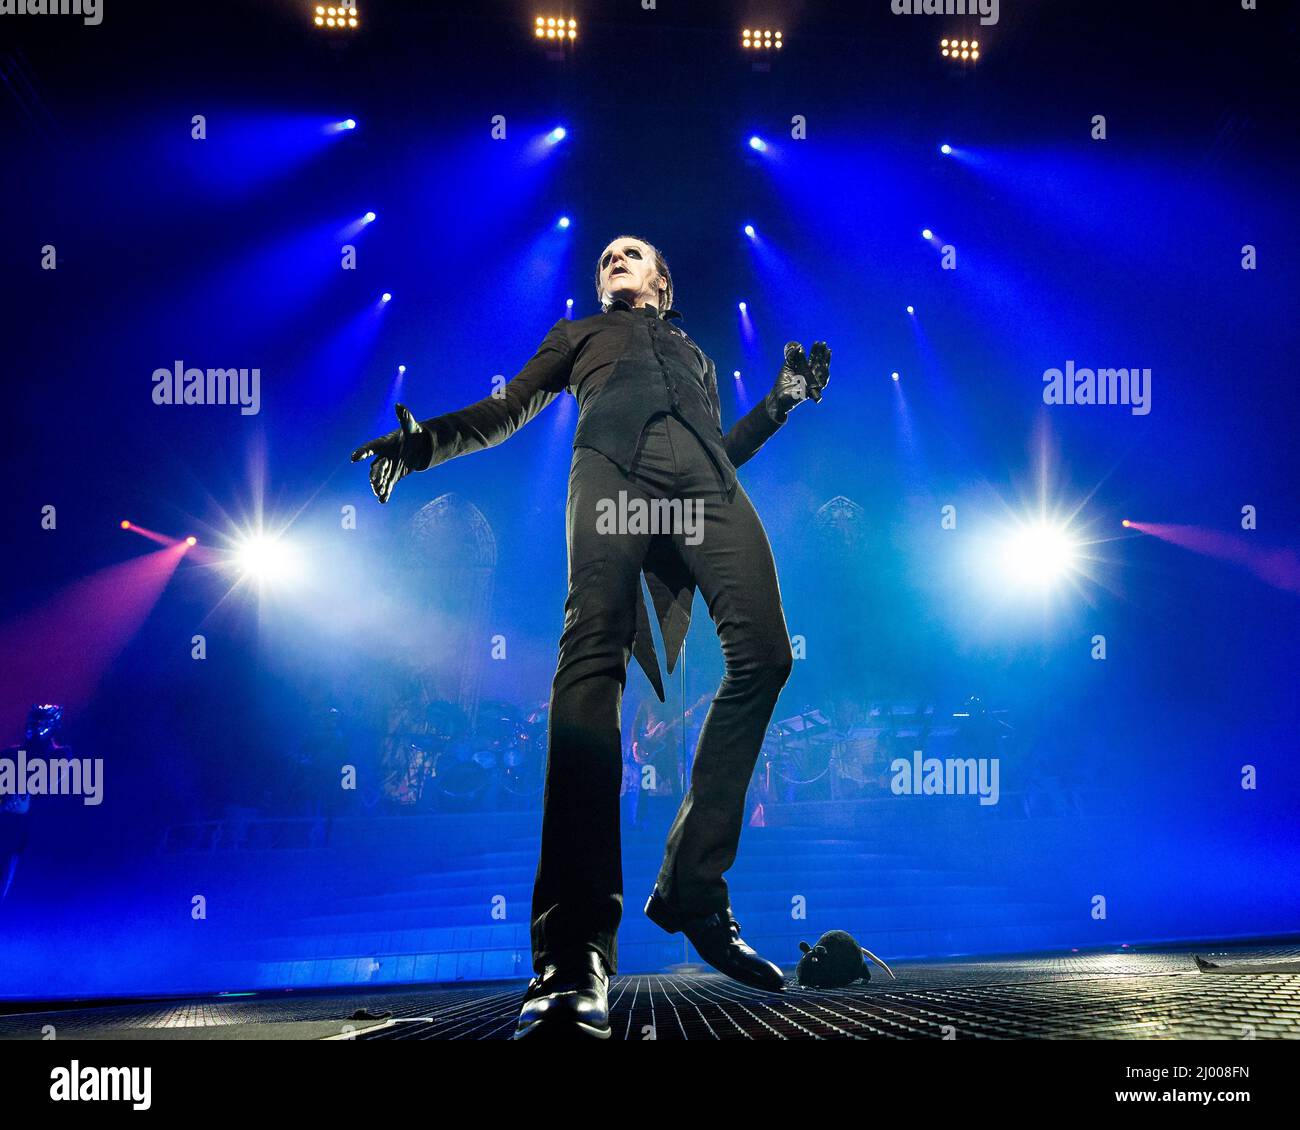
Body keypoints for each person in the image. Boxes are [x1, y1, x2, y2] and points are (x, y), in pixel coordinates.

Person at [350, 235, 830, 1039]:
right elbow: (507, 411)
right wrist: (426, 441)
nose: (616, 256)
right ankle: (574, 953)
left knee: (767, 658)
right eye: (607, 253)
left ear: (662, 283)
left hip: (707, 491)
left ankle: (692, 888)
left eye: (634, 253)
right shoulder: (576, 335)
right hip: (613, 475)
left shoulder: (694, 353)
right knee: (591, 662)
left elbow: (723, 449)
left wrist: (780, 402)